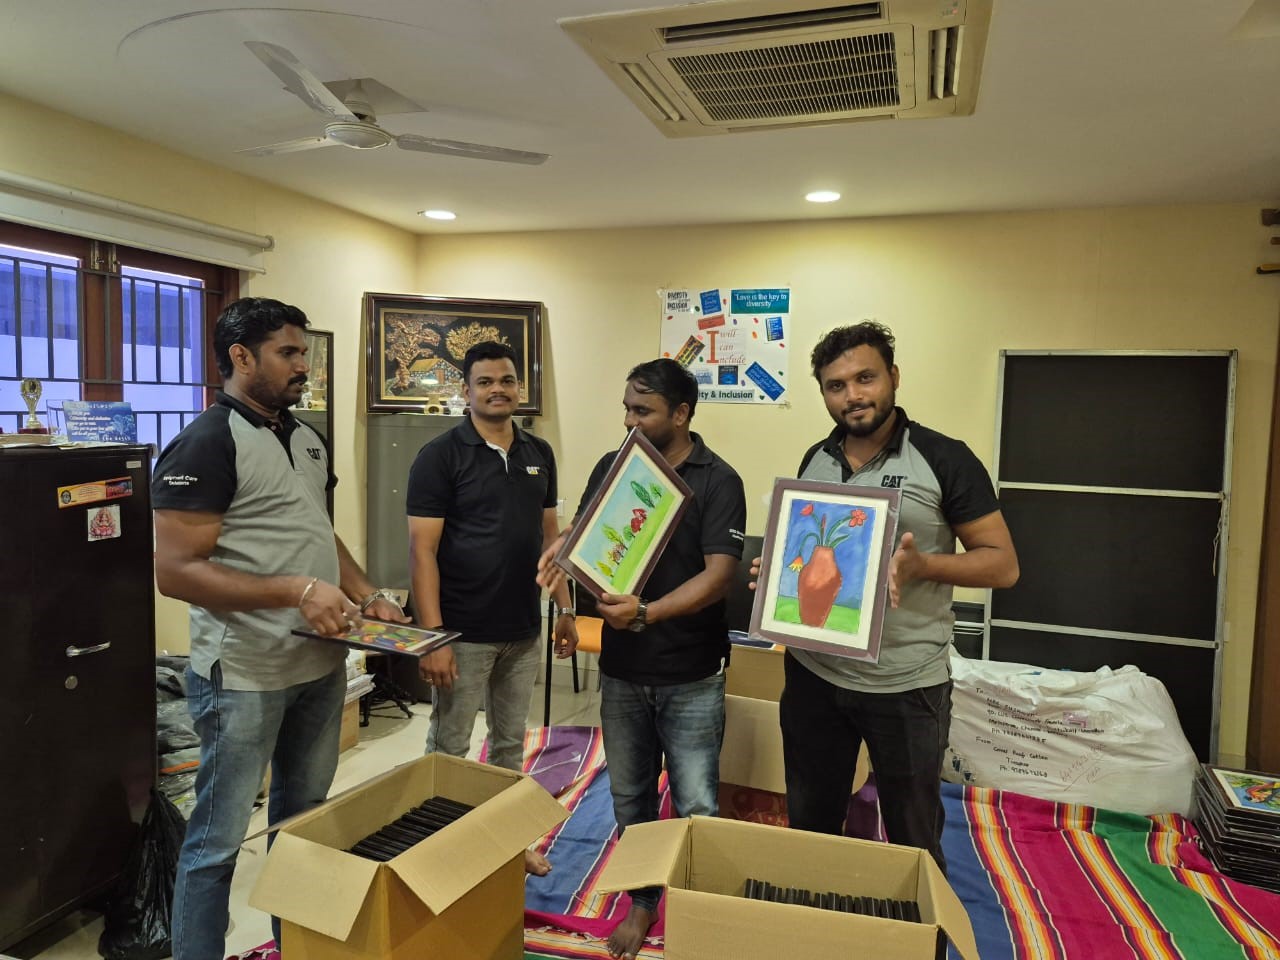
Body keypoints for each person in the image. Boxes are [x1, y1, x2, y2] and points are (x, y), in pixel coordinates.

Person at [153, 297, 408, 960]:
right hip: (244, 676)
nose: (303, 366)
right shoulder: (207, 441)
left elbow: (316, 530)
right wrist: (295, 591)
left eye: (305, 353)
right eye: (288, 353)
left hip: (319, 666)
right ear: (241, 357)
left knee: (304, 828)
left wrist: (368, 594)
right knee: (216, 843)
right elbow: (175, 572)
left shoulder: (304, 436)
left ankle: (296, 948)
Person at [776, 321, 1018, 873]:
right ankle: (817, 917)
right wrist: (780, 577)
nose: (852, 395)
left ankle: (915, 923)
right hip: (814, 677)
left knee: (913, 840)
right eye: (836, 386)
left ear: (894, 377)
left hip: (905, 684)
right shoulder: (817, 457)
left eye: (865, 378)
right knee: (810, 830)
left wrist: (922, 565)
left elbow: (1003, 565)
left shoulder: (944, 458)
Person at [538, 359, 747, 960]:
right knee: (630, 798)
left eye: (643, 411)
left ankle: (696, 907)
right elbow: (592, 543)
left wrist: (647, 613)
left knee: (696, 802)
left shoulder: (718, 480)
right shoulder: (615, 467)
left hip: (692, 674)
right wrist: (565, 551)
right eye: (627, 409)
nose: (629, 421)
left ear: (681, 414)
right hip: (623, 672)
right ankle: (643, 900)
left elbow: (719, 576)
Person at [406, 341, 578, 874]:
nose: (497, 390)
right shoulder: (439, 456)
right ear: (466, 390)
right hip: (462, 633)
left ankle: (506, 844)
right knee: (450, 747)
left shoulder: (538, 453)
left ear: (519, 388)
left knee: (509, 745)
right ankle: (439, 851)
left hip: (522, 629)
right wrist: (433, 637)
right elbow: (421, 551)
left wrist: (565, 609)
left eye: (506, 380)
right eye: (485, 382)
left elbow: (551, 539)